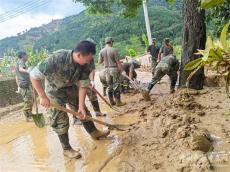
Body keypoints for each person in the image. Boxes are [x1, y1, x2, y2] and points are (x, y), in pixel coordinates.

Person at [30, 41, 110, 159]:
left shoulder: (86, 63)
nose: (89, 62)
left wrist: (81, 106)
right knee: (59, 119)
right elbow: (33, 75)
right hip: (54, 91)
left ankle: (94, 133)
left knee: (83, 113)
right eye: (87, 59)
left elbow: (83, 85)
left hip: (71, 88)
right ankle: (66, 149)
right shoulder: (56, 59)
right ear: (79, 55)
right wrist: (42, 96)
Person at [98, 37, 125, 106]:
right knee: (116, 85)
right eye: (112, 42)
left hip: (106, 70)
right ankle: (118, 102)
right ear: (111, 42)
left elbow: (99, 62)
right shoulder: (114, 50)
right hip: (114, 69)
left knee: (109, 86)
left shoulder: (101, 51)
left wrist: (105, 59)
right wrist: (122, 71)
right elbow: (118, 62)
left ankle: (111, 102)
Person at [15, 51, 33, 122]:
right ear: (23, 56)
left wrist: (18, 86)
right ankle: (27, 116)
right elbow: (20, 69)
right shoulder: (21, 62)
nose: (27, 56)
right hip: (24, 85)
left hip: (23, 85)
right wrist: (28, 70)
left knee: (29, 100)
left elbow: (16, 76)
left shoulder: (18, 63)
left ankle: (29, 115)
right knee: (28, 101)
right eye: (26, 55)